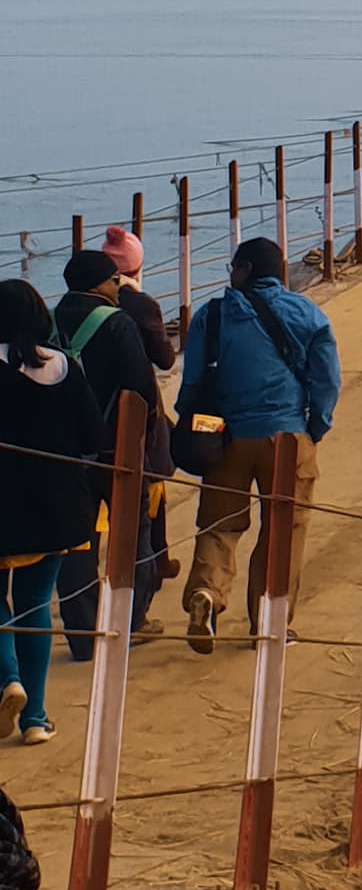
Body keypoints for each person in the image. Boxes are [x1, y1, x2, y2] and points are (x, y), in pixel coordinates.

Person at [178, 238, 340, 652]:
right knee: (283, 530)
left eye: (233, 266)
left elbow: (192, 384)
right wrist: (315, 428)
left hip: (226, 438)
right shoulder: (306, 313)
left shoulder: (211, 315)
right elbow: (326, 381)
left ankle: (208, 595)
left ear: (245, 269)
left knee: (220, 526)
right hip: (286, 438)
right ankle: (269, 623)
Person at [0, 281, 109, 747]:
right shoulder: (64, 365)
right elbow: (92, 434)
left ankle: (8, 678)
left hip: (4, 504)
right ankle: (36, 720)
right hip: (56, 504)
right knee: (36, 606)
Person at [51, 251, 158, 661]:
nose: (119, 287)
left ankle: (81, 634)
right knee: (132, 534)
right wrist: (144, 438)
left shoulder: (50, 320)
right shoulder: (117, 323)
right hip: (118, 445)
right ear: (99, 284)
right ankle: (129, 623)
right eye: (115, 280)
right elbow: (141, 387)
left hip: (69, 451)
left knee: (77, 541)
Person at [98, 227, 178, 635]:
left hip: (93, 415)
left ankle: (86, 594)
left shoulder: (70, 307)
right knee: (151, 487)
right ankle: (151, 572)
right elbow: (163, 359)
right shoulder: (140, 304)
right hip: (135, 413)